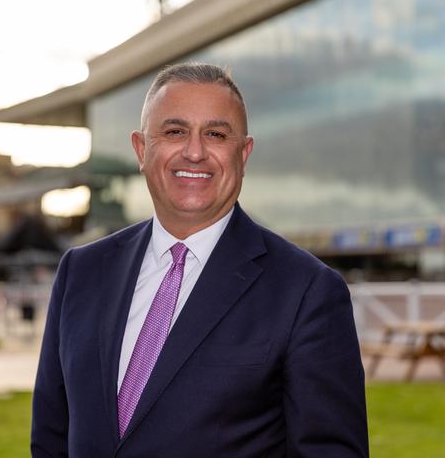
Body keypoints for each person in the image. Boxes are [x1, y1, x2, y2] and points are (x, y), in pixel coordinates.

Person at [32, 62, 368, 457]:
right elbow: (51, 439)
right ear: (142, 149)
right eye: (175, 132)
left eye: (216, 134)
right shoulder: (80, 272)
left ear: (243, 153)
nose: (194, 152)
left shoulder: (307, 292)